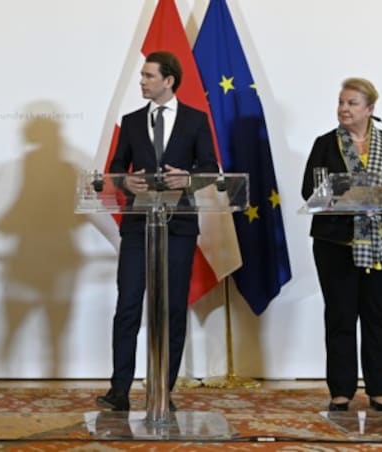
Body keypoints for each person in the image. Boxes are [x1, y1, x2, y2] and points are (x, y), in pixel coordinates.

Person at [97, 51, 218, 411]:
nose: (142, 81)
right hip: (138, 226)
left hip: (179, 225)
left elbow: (210, 167)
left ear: (169, 80)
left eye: (149, 76)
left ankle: (163, 388)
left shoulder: (196, 120)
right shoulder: (132, 121)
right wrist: (125, 180)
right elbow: (117, 167)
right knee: (128, 305)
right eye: (142, 75)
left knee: (172, 309)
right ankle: (119, 390)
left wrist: (190, 179)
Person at [301, 77, 382, 412]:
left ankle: (380, 388)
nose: (344, 109)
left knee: (378, 316)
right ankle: (341, 390)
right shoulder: (324, 144)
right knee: (341, 316)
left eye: (351, 103)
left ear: (370, 109)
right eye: (341, 102)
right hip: (335, 242)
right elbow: (310, 190)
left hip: (380, 242)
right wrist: (343, 195)